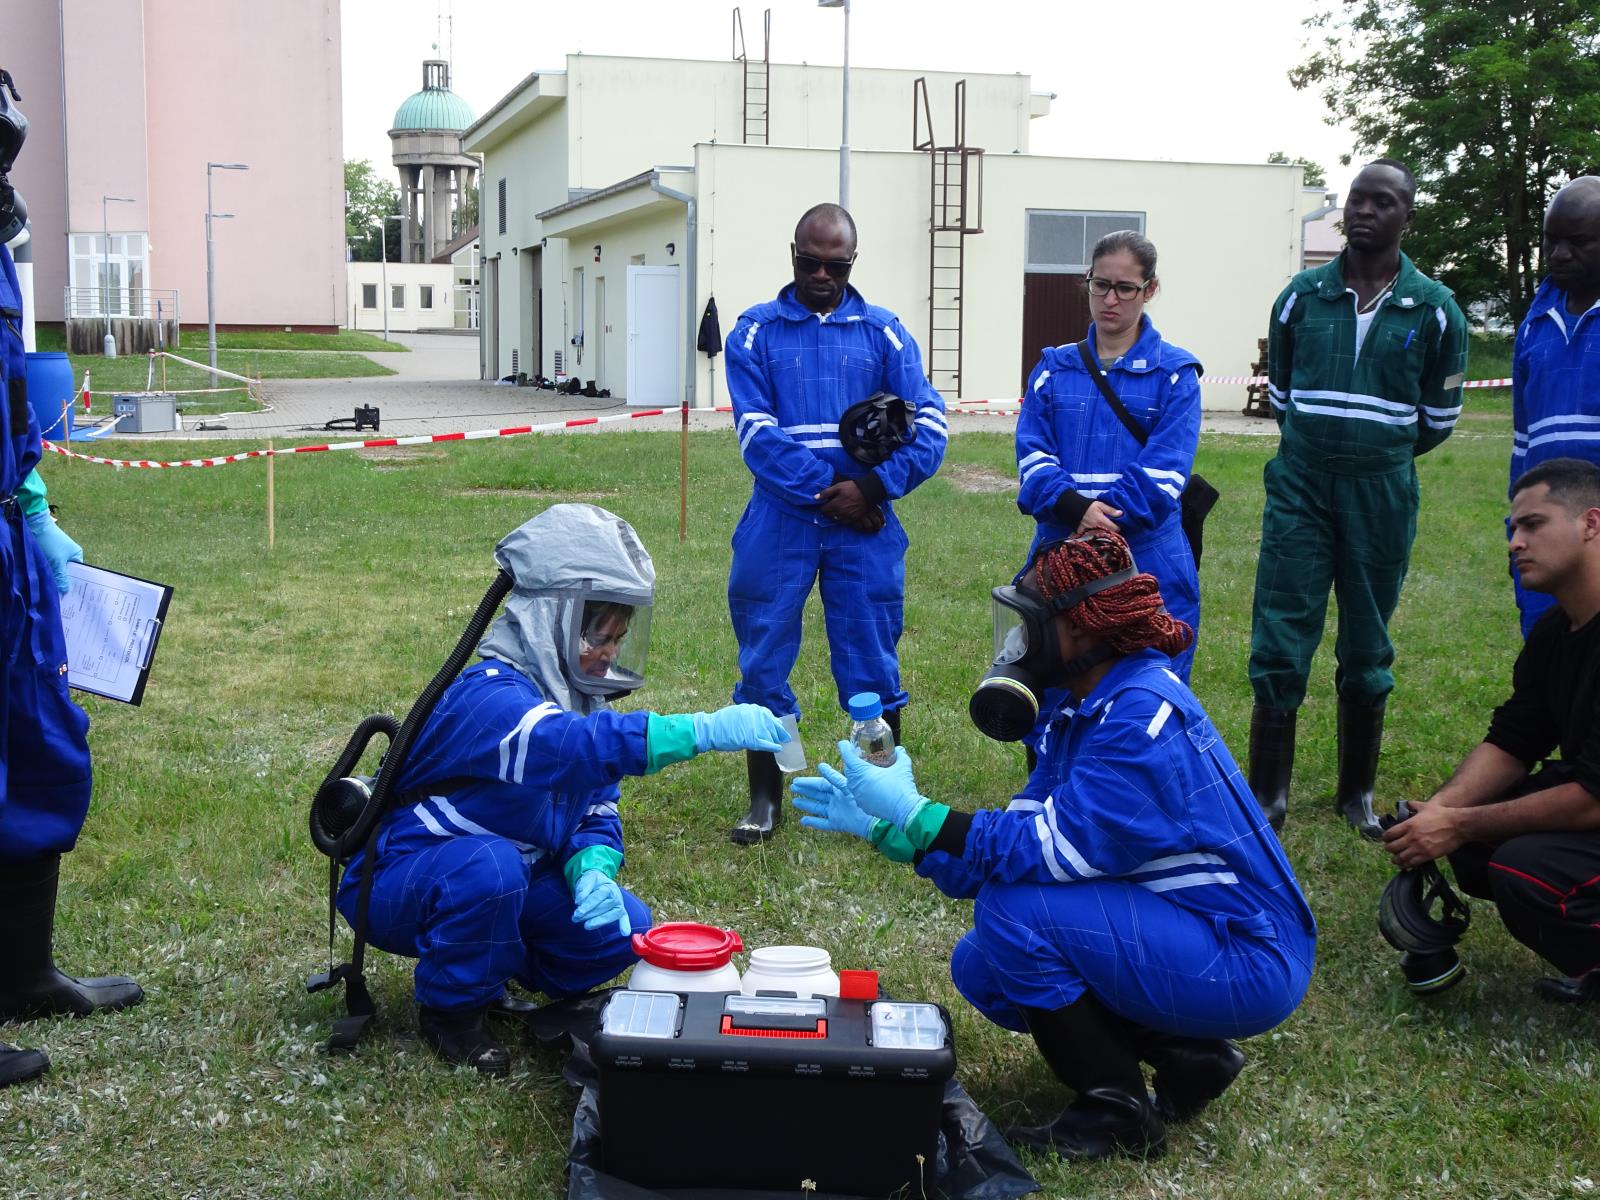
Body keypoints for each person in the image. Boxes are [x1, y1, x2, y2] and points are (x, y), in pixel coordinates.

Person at [794, 532, 1316, 1161]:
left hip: (1247, 954)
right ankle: (1186, 1054)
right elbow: (1001, 855)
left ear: (1083, 629)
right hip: (1204, 933)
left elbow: (1043, 853)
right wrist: (894, 834)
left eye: (1030, 626)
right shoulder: (1085, 709)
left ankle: (1115, 1110)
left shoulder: (1138, 720)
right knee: (983, 964)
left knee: (1014, 915)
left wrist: (916, 811)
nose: (1017, 645)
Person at [336, 503, 789, 1075]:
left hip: (499, 877)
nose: (609, 654)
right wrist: (700, 730)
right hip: (396, 877)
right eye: (597, 636)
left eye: (619, 639)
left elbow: (596, 810)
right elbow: (572, 748)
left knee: (624, 927)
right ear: (549, 619)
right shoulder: (490, 695)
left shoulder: (578, 700)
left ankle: (486, 962)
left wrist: (591, 869)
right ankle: (451, 1014)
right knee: (490, 868)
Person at [1247, 158, 1469, 838]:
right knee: (1283, 632)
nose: (1365, 211)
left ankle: (1356, 795)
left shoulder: (1435, 309)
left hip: (1382, 492)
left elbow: (1437, 419)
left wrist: (1376, 456)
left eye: (1383, 202)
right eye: (1357, 200)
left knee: (1368, 640)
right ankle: (1269, 797)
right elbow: (1282, 398)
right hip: (1302, 485)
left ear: (1408, 215)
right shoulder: (1300, 298)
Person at [0, 67, 142, 1091]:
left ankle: (24, 971)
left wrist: (37, 512)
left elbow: (12, 401)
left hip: (4, 541)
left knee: (39, 744)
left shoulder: (1, 241)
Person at [722, 202, 947, 844]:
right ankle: (765, 796)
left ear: (853, 260)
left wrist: (874, 486)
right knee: (762, 651)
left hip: (867, 520)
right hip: (782, 517)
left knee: (872, 652)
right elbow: (756, 434)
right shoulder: (754, 332)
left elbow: (929, 425)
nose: (821, 273)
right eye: (810, 261)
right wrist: (836, 492)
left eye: (835, 263)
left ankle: (883, 795)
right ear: (792, 253)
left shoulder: (885, 333)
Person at [1384, 458, 1600, 1003]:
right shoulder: (1558, 630)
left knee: (1525, 870)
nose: (1515, 543)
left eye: (1533, 525)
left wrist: (1460, 823)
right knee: (1477, 845)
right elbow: (1515, 737)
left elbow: (1594, 801)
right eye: (1513, 529)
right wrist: (1440, 814)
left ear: (1591, 524)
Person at [1015, 229, 1201, 681]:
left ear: (1149, 290)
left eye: (1125, 288)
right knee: (1053, 690)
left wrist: (1100, 525)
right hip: (1060, 553)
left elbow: (1164, 473)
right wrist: (1077, 511)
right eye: (1100, 284)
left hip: (1149, 560)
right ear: (1088, 281)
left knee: (1150, 685)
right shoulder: (1053, 370)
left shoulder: (1176, 376)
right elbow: (1032, 458)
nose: (1110, 299)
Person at [1509, 177, 1600, 636]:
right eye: (1552, 240)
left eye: (1578, 241)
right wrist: (1519, 524)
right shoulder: (1534, 323)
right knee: (1547, 663)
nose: (1560, 253)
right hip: (1548, 534)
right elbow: (1523, 443)